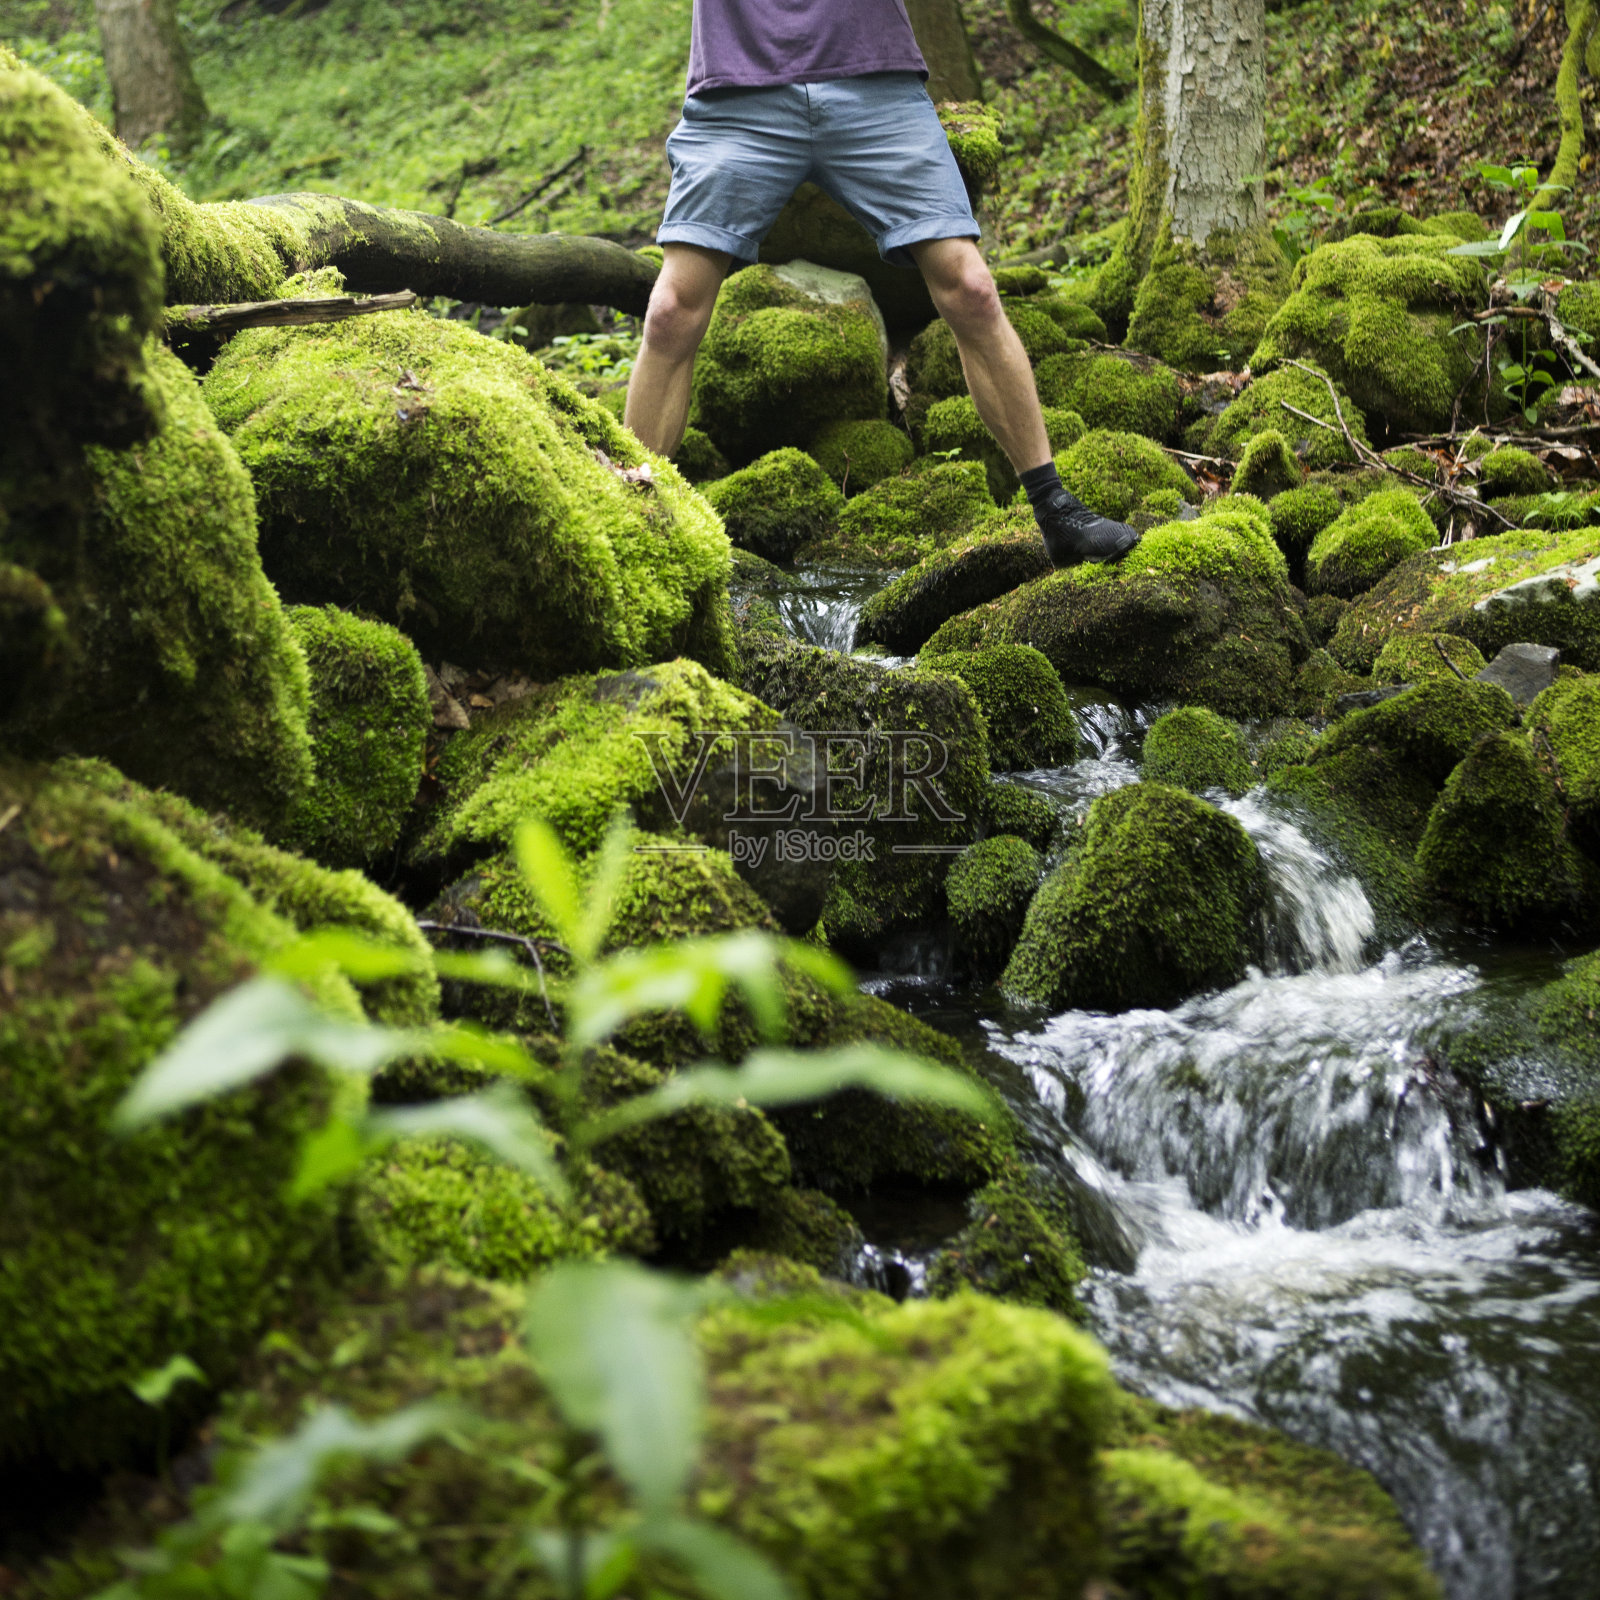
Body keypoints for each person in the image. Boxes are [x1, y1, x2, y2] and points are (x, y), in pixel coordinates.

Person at [622, 0, 1139, 567]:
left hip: (874, 78)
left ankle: (1055, 510)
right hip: (738, 90)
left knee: (972, 288)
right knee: (671, 310)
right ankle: (632, 529)